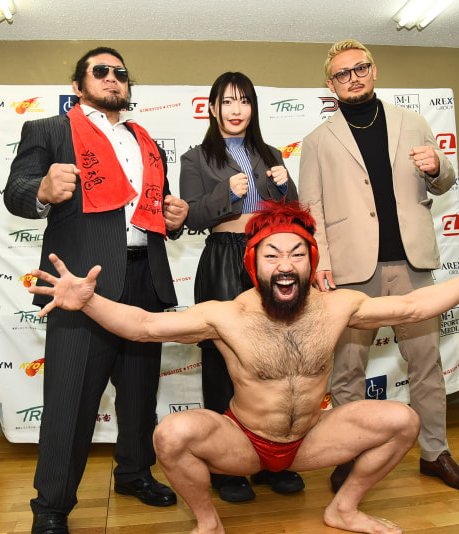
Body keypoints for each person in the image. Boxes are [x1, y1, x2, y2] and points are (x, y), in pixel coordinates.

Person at [28, 200, 459, 534]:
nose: (285, 264)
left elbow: (413, 307)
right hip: (243, 443)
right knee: (171, 434)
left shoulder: (338, 306)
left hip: (310, 439)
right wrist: (89, 302)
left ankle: (344, 508)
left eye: (297, 254)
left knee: (402, 420)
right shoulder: (225, 316)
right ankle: (208, 523)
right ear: (254, 263)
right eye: (272, 254)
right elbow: (143, 326)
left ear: (310, 262)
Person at [3, 46, 189, 534]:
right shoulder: (48, 129)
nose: (112, 78)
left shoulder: (146, 141)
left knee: (139, 395)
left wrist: (174, 220)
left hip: (144, 279)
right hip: (79, 284)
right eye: (100, 71)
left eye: (120, 73)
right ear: (78, 85)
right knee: (70, 399)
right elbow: (15, 191)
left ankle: (134, 473)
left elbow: (156, 211)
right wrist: (42, 191)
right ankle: (51, 506)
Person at [298, 39, 459, 493]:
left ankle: (435, 453)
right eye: (342, 73)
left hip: (412, 264)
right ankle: (350, 454)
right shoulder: (318, 141)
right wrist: (320, 260)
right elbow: (311, 207)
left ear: (374, 70)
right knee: (347, 370)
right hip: (351, 271)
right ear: (330, 84)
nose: (353, 77)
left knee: (426, 364)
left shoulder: (412, 122)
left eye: (360, 68)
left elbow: (442, 182)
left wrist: (437, 166)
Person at [179, 72, 303, 502]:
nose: (236, 110)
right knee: (222, 360)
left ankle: (274, 461)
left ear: (253, 108)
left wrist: (287, 189)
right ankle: (225, 468)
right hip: (223, 257)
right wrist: (225, 193)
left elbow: (294, 215)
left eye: (244, 101)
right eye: (227, 101)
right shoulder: (196, 158)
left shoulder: (270, 154)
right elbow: (191, 217)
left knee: (277, 358)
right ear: (212, 108)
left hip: (270, 257)